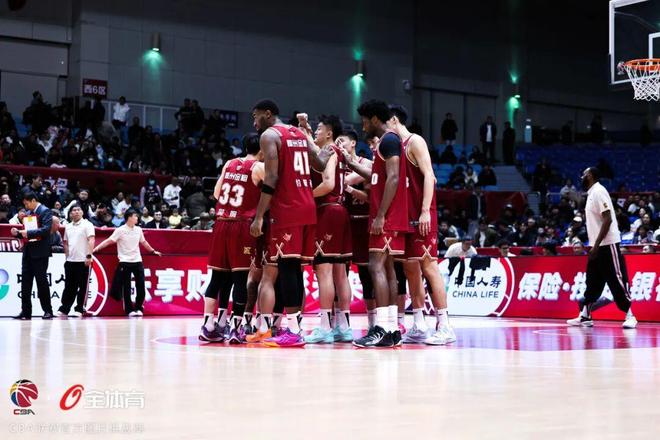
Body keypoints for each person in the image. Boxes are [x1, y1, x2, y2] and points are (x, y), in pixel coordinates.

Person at [247, 99, 331, 347]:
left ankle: (293, 331)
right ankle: (294, 328)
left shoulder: (270, 135)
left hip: (287, 208)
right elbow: (320, 164)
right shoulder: (298, 133)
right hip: (307, 206)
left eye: (255, 116)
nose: (254, 122)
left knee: (286, 268)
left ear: (268, 114)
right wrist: (326, 148)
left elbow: (271, 177)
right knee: (294, 269)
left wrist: (259, 216)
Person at [341, 99, 408, 348]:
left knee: (376, 267)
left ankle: (380, 327)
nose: (363, 126)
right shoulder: (387, 142)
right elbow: (379, 176)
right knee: (388, 269)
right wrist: (351, 163)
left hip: (386, 216)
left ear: (375, 119)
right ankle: (391, 328)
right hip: (391, 215)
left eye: (365, 121)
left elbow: (393, 178)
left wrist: (380, 215)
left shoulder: (389, 140)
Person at [388, 105, 455, 346]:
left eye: (386, 124)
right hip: (405, 218)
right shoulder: (396, 147)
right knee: (410, 269)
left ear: (394, 120)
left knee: (429, 267)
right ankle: (419, 324)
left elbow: (429, 175)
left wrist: (426, 210)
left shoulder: (415, 141)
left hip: (422, 215)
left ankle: (445, 326)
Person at [199, 134, 265, 343]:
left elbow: (217, 193)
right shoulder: (259, 167)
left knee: (217, 278)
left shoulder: (229, 163)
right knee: (240, 279)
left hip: (221, 223)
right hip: (241, 225)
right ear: (262, 150)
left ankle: (209, 325)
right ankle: (236, 329)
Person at [299, 114, 354, 344]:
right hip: (341, 211)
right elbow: (312, 146)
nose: (316, 132)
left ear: (329, 132)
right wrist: (305, 128)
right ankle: (344, 327)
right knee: (340, 273)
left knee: (324, 271)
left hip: (328, 211)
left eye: (319, 129)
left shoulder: (330, 151)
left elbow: (329, 183)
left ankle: (324, 327)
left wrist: (305, 196)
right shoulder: (338, 151)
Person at [567, 167, 637, 329]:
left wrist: (597, 245)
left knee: (616, 280)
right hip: (596, 245)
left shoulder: (599, 191)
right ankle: (585, 315)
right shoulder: (591, 193)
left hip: (607, 244)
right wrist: (593, 245)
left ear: (591, 176)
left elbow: (608, 219)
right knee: (592, 281)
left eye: (584, 174)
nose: (582, 177)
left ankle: (630, 315)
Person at [92, 209, 162, 316]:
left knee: (141, 285)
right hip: (125, 262)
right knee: (126, 287)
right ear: (129, 217)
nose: (137, 218)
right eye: (135, 216)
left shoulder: (138, 230)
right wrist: (96, 249)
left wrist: (153, 251)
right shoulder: (120, 230)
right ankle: (129, 310)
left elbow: (144, 242)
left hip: (137, 261)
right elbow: (109, 241)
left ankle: (139, 308)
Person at [340, 131, 376, 329]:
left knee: (366, 275)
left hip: (362, 223)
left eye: (342, 141)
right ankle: (339, 323)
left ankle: (373, 322)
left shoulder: (366, 163)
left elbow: (370, 198)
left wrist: (350, 189)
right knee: (340, 273)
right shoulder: (335, 164)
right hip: (342, 224)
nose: (339, 143)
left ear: (353, 143)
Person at [11, 191, 54, 320]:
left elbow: (45, 230)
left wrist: (27, 233)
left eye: (27, 203)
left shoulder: (46, 211)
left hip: (40, 253)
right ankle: (26, 312)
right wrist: (18, 233)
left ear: (33, 200)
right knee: (25, 283)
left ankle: (48, 311)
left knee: (41, 282)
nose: (26, 206)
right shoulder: (29, 213)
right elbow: (27, 232)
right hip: (28, 252)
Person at [57, 205, 95, 317]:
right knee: (69, 286)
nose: (77, 212)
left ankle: (79, 309)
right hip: (70, 261)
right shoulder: (68, 226)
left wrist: (89, 256)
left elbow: (91, 240)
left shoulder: (88, 225)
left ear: (82, 212)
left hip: (83, 261)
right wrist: (67, 257)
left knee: (83, 286)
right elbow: (65, 242)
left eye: (79, 210)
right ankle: (64, 309)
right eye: (74, 210)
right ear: (70, 214)